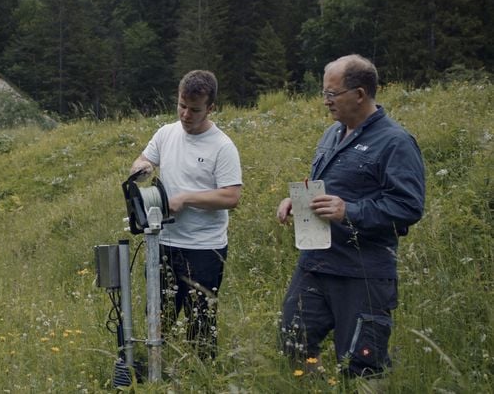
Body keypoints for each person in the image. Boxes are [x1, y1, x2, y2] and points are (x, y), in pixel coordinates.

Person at [276, 54, 425, 378]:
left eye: (332, 94)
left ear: (359, 93)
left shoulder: (395, 142)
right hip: (315, 264)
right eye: (325, 94)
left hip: (362, 273)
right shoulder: (332, 134)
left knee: (362, 363)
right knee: (294, 341)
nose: (326, 101)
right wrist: (298, 201)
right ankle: (311, 384)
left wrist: (350, 211)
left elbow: (409, 206)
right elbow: (328, 189)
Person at [130, 70, 242, 359]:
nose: (185, 114)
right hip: (163, 243)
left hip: (204, 248)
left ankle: (201, 377)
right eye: (181, 105)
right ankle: (157, 371)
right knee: (158, 318)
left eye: (194, 110)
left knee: (200, 326)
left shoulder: (222, 146)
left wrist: (187, 199)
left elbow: (232, 196)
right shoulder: (165, 133)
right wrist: (142, 167)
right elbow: (143, 159)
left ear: (211, 108)